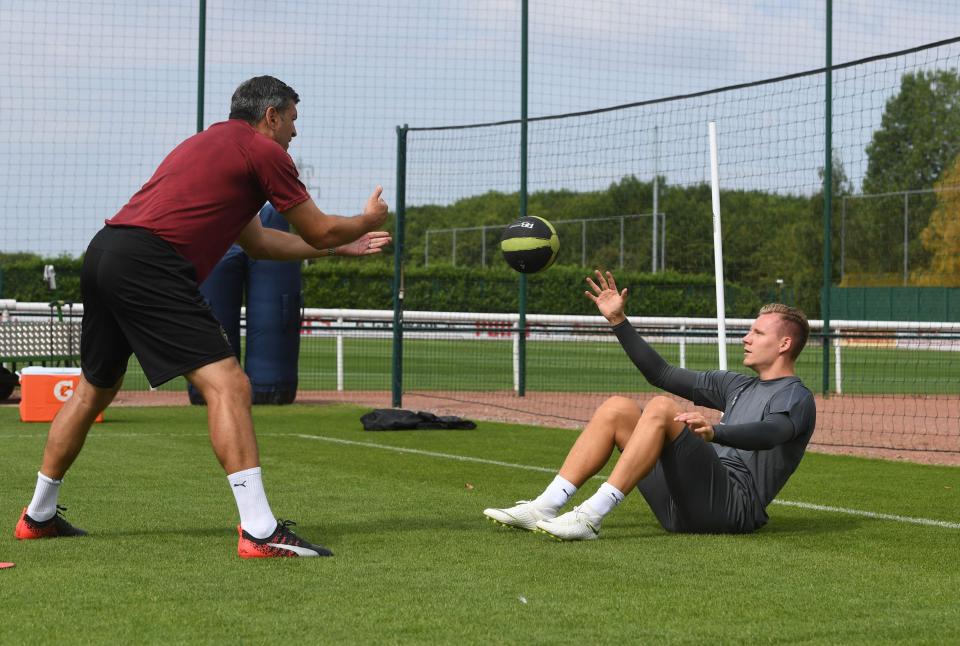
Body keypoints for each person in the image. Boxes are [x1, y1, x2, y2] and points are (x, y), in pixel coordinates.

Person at [14, 76, 391, 558]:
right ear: (271, 115)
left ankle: (37, 516)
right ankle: (260, 531)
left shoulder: (209, 144)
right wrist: (364, 221)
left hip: (106, 250)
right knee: (230, 385)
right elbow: (316, 228)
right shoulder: (266, 152)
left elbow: (257, 242)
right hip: (150, 263)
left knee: (94, 389)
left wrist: (337, 247)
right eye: (293, 120)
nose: (296, 132)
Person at [484, 269, 815, 540]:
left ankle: (589, 517)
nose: (746, 337)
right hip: (682, 505)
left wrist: (715, 432)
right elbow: (661, 373)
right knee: (618, 408)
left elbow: (772, 433)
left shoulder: (795, 396)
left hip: (731, 510)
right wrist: (618, 320)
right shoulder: (736, 385)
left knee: (661, 408)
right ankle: (545, 506)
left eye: (757, 332)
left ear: (784, 344)